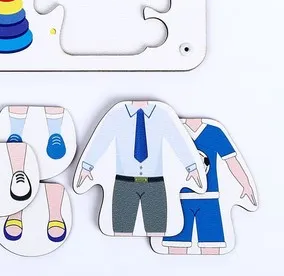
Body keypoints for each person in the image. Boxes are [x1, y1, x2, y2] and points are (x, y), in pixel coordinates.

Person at [76, 101, 203, 236]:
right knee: (121, 229)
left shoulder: (162, 115)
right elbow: (101, 140)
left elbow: (177, 140)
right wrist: (87, 166)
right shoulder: (116, 114)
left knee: (157, 229)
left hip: (154, 183)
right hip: (124, 182)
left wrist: (191, 167)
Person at [163, 118, 257, 255]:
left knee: (211, 245)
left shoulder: (214, 132)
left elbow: (231, 160)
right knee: (176, 245)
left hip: (209, 197)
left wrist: (246, 184)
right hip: (179, 199)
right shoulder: (173, 131)